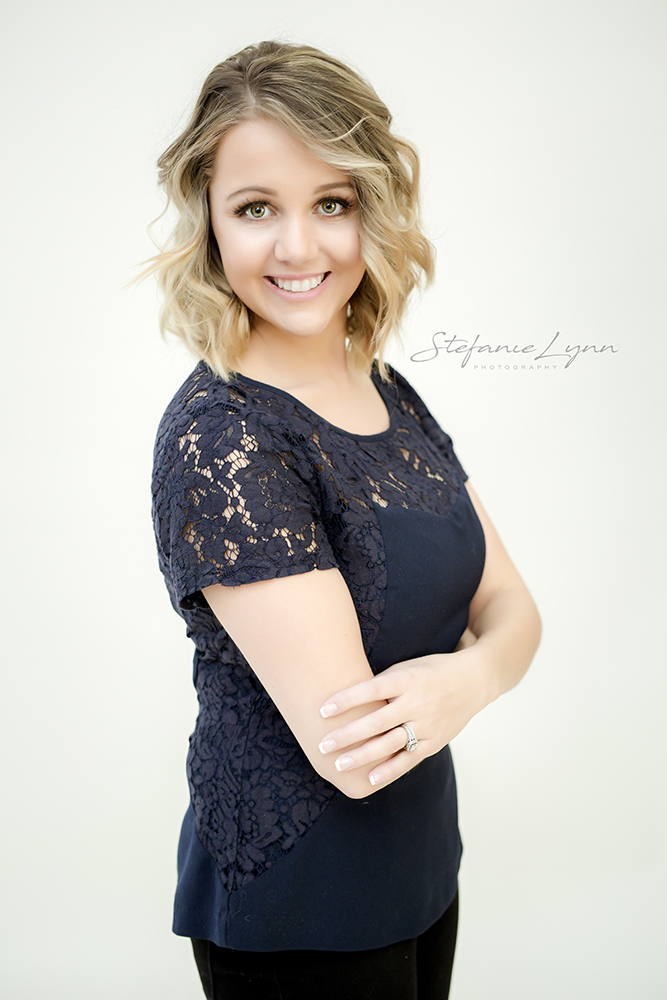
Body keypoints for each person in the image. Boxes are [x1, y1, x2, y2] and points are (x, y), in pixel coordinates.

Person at [149, 40, 541, 1000]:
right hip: (302, 915)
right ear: (208, 218)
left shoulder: (382, 385)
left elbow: (514, 607)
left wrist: (470, 676)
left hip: (419, 871)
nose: (298, 247)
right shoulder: (223, 440)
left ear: (372, 208)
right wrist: (477, 671)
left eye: (332, 202)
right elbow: (355, 755)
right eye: (255, 209)